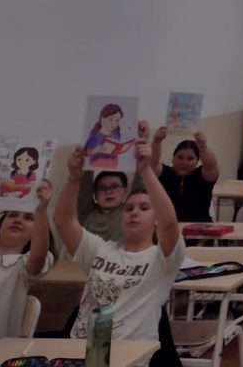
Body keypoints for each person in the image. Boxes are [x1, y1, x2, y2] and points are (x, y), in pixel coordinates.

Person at [55, 138, 185, 367]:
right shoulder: (101, 250)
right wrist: (74, 178)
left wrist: (145, 170)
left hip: (128, 358)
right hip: (82, 354)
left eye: (144, 208)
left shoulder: (161, 259)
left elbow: (170, 224)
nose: (134, 212)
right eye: (129, 208)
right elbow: (63, 222)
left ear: (155, 219)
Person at [0, 172, 54, 337]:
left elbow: (38, 257)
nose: (18, 220)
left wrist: (41, 209)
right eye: (13, 215)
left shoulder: (23, 266)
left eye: (29, 218)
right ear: (0, 228)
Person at [152, 127, 220, 223]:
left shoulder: (203, 176)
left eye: (190, 158)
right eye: (180, 157)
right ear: (173, 158)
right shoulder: (164, 173)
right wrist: (156, 142)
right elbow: (152, 164)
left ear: (197, 161)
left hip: (200, 229)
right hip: (168, 229)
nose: (184, 162)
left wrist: (203, 147)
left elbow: (211, 165)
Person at [83, 103, 136, 170]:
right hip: (97, 165)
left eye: (117, 121)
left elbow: (116, 148)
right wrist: (94, 150)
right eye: (110, 119)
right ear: (102, 119)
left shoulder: (116, 133)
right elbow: (84, 152)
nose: (114, 123)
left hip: (113, 166)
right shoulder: (95, 135)